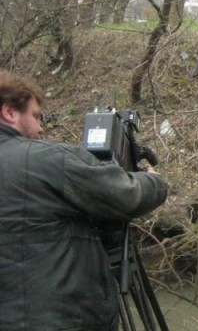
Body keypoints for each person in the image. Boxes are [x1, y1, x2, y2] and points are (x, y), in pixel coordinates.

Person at [0, 71, 168, 331]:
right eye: (34, 116)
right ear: (9, 112)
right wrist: (153, 181)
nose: (40, 127)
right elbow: (127, 196)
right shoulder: (46, 160)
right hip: (61, 320)